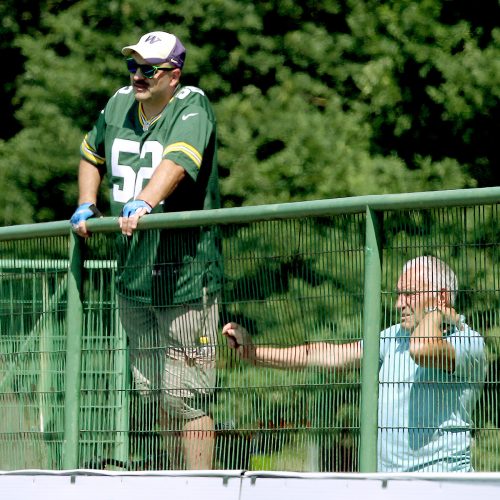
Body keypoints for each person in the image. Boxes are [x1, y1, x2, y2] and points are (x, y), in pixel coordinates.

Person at [70, 31, 223, 470]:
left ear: (173, 75)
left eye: (148, 69)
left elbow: (177, 160)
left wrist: (146, 200)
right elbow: (89, 154)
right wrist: (87, 202)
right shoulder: (118, 103)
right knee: (155, 391)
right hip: (135, 277)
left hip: (187, 278)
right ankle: (170, 481)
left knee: (188, 396)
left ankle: (199, 490)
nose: (138, 76)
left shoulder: (192, 105)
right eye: (133, 66)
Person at [223, 256, 486, 472]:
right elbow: (326, 355)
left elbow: (422, 349)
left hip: (444, 485)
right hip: (387, 484)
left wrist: (437, 313)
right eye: (398, 294)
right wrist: (255, 353)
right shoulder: (393, 337)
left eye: (409, 294)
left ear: (441, 296)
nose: (398, 304)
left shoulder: (468, 341)